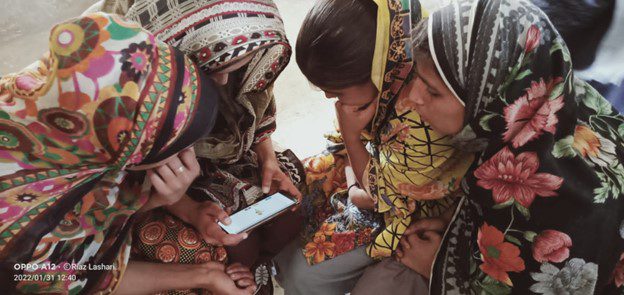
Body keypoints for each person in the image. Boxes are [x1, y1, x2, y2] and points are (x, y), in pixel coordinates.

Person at [0, 12, 256, 294]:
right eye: (175, 148)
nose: (188, 156)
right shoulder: (25, 247)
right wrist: (204, 276)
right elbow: (85, 279)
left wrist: (189, 208)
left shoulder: (62, 91)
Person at [389, 0, 623, 293]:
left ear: (492, 102)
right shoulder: (550, 100)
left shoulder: (559, 224)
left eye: (433, 92)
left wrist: (434, 263)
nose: (409, 99)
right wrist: (455, 223)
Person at [100, 0, 305, 293]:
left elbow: (257, 115)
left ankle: (258, 268)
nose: (223, 79)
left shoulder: (244, 56)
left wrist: (267, 159)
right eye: (212, 70)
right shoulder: (138, 103)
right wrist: (185, 208)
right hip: (166, 187)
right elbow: (136, 185)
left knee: (287, 214)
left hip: (208, 173)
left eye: (235, 67)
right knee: (234, 248)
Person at [274, 1, 474, 294]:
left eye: (338, 90)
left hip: (415, 211)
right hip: (379, 175)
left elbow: (377, 198)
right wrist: (351, 154)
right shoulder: (394, 72)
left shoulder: (422, 112)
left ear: (379, 70)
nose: (330, 96)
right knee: (295, 193)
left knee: (305, 276)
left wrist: (352, 140)